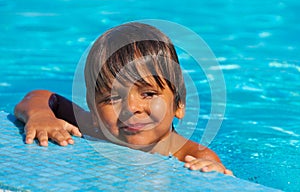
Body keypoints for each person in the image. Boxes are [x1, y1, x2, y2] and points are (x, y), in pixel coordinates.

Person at [14, 22, 232, 175]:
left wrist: (212, 169)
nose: (132, 108)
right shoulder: (95, 128)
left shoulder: (188, 154)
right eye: (112, 99)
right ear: (93, 108)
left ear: (179, 104)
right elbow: (41, 96)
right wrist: (41, 115)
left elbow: (210, 168)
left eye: (148, 93)